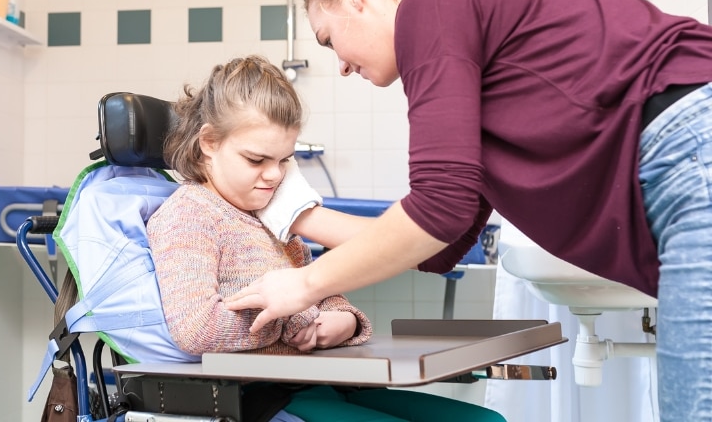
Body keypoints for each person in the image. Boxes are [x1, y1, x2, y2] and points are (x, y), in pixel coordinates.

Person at [224, 0, 712, 422]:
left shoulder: (431, 6)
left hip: (694, 144)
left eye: (328, 41)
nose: (342, 67)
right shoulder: (459, 41)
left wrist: (304, 284)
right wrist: (297, 214)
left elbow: (438, 208)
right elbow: (441, 244)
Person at [147, 55, 506, 422]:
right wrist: (290, 320)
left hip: (319, 382)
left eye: (285, 159)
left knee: (488, 420)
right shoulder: (188, 215)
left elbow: (327, 295)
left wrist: (343, 323)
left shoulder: (273, 216)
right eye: (256, 160)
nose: (274, 175)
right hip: (260, 397)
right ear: (208, 142)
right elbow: (196, 330)